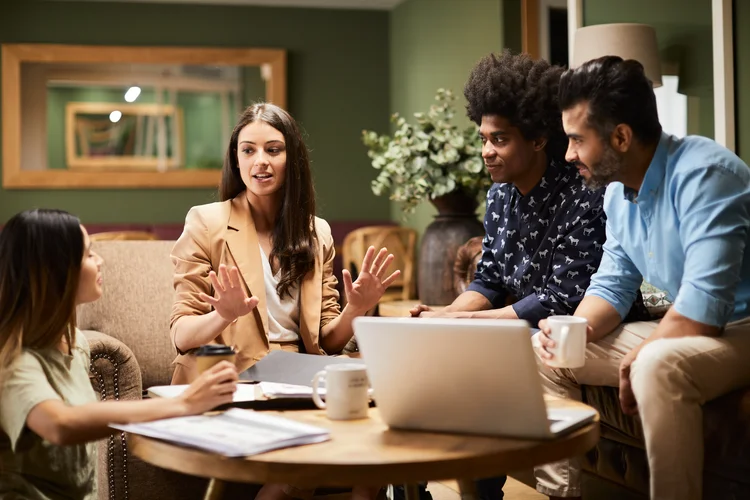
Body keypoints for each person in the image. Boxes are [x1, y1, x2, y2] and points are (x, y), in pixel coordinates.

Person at [533, 55, 750, 500]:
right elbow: (612, 285)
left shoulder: (705, 175)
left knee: (656, 364)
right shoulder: (616, 193)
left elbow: (704, 307)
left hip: (740, 326)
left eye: (576, 139)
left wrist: (647, 349)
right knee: (544, 352)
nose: (569, 153)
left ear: (621, 137)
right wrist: (575, 329)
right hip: (693, 326)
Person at [170, 102, 397, 500]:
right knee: (303, 463)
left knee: (383, 444)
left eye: (274, 150)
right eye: (249, 150)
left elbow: (327, 340)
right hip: (234, 373)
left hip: (301, 374)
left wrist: (356, 308)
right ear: (235, 159)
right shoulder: (205, 222)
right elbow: (182, 334)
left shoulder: (316, 232)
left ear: (292, 157)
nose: (261, 161)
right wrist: (221, 315)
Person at [0, 209, 238, 499]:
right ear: (55, 270)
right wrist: (183, 404)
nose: (100, 261)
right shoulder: (14, 364)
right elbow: (60, 425)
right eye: (88, 255)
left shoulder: (75, 346)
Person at [411, 51, 647, 327]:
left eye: (499, 139)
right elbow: (489, 281)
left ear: (538, 140)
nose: (486, 152)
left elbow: (559, 300)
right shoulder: (498, 197)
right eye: (484, 139)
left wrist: (466, 318)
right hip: (533, 331)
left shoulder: (587, 196)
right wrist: (442, 316)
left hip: (595, 331)